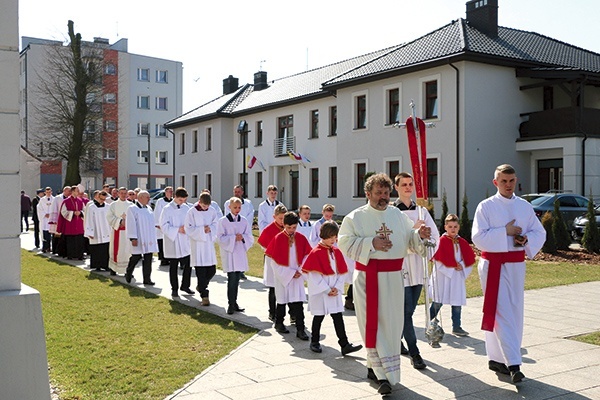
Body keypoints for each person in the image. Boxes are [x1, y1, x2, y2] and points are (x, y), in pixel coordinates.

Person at [338, 173, 430, 395]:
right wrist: (371, 243)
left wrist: (420, 236)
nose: (383, 197)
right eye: (378, 193)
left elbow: (410, 240)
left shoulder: (397, 215)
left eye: (386, 192)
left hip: (394, 279)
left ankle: (375, 368)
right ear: (367, 193)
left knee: (391, 325)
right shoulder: (355, 217)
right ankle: (383, 377)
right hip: (369, 278)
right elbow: (344, 243)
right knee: (373, 325)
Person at [472, 164, 545, 384]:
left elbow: (539, 231)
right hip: (493, 264)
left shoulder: (524, 206)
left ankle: (496, 358)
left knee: (514, 311)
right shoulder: (485, 206)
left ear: (516, 181)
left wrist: (526, 239)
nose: (508, 185)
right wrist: (505, 231)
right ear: (495, 182)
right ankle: (514, 363)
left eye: (511, 181)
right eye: (503, 181)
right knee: (501, 309)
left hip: (515, 265)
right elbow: (477, 237)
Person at [392, 172, 440, 368]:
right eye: (403, 184)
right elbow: (393, 239)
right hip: (400, 266)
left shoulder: (422, 211)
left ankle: (396, 340)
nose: (407, 187)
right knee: (406, 313)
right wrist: (414, 229)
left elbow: (434, 237)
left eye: (410, 184)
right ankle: (415, 352)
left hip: (417, 266)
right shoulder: (392, 212)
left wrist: (425, 237)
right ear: (396, 187)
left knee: (409, 310)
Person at [302, 221, 363, 356]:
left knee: (338, 317)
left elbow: (342, 271)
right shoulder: (316, 252)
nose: (332, 239)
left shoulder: (336, 251)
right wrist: (327, 289)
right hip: (321, 292)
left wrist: (336, 287)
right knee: (319, 317)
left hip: (334, 290)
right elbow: (313, 275)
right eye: (329, 237)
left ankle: (344, 344)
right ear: (322, 235)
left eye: (334, 236)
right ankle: (315, 341)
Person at [265, 211, 312, 339]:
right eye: (288, 227)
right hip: (283, 275)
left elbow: (308, 256)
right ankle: (279, 323)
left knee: (298, 303)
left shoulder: (301, 238)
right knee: (282, 300)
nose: (291, 230)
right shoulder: (278, 238)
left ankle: (300, 329)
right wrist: (289, 273)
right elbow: (273, 261)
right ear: (284, 225)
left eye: (294, 227)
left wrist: (301, 271)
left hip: (297, 274)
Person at [429, 214, 475, 337]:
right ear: (445, 227)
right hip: (443, 277)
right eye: (450, 227)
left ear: (458, 227)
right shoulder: (441, 242)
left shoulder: (462, 242)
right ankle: (428, 322)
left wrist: (461, 266)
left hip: (456, 277)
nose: (453, 229)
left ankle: (457, 327)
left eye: (455, 226)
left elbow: (469, 258)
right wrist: (451, 267)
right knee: (438, 302)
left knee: (457, 302)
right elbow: (438, 261)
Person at [217, 197, 254, 314]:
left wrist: (243, 237)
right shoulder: (223, 221)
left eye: (239, 207)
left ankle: (234, 302)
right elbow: (220, 238)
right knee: (231, 279)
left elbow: (249, 236)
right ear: (229, 207)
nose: (237, 209)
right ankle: (230, 304)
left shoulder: (243, 221)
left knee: (237, 279)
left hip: (239, 253)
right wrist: (233, 238)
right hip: (229, 253)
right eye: (235, 207)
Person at [186, 192, 219, 306]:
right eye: (204, 206)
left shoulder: (212, 211)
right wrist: (201, 230)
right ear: (199, 202)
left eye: (207, 206)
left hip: (208, 244)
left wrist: (210, 228)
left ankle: (201, 286)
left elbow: (216, 224)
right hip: (198, 244)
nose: (206, 208)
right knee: (201, 271)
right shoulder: (192, 212)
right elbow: (188, 228)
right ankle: (204, 296)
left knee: (212, 270)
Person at [161, 187, 194, 297]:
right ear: (175, 197)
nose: (182, 202)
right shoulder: (167, 209)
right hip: (173, 240)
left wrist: (187, 228)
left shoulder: (186, 208)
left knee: (188, 264)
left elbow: (191, 222)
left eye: (184, 200)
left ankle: (185, 285)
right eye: (180, 200)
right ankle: (174, 288)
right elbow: (164, 225)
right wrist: (177, 230)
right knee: (173, 266)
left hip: (184, 240)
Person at [257, 203, 287, 321]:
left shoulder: (288, 229)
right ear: (274, 217)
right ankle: (272, 311)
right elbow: (264, 246)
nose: (282, 221)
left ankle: (288, 313)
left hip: (285, 262)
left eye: (284, 218)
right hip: (272, 261)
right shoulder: (269, 229)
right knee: (273, 288)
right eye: (280, 218)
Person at [125, 190, 158, 285]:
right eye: (147, 197)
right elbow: (131, 224)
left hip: (148, 237)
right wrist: (133, 238)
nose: (149, 199)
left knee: (148, 258)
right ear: (140, 198)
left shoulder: (149, 208)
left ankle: (147, 279)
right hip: (138, 236)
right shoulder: (132, 208)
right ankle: (129, 272)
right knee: (136, 257)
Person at [107, 187, 132, 275]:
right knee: (116, 250)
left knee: (127, 251)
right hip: (117, 231)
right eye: (121, 193)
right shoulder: (113, 205)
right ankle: (113, 269)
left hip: (128, 232)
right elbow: (109, 217)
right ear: (118, 194)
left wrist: (127, 221)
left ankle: (127, 270)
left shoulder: (131, 205)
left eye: (125, 193)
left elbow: (134, 217)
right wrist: (120, 221)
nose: (123, 195)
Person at [84, 190, 111, 271]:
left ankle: (106, 265)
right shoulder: (92, 207)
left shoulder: (107, 206)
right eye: (101, 199)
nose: (102, 201)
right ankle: (97, 265)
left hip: (106, 230)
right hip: (96, 231)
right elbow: (89, 219)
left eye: (104, 199)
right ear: (97, 197)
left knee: (105, 249)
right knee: (96, 249)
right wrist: (90, 232)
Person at [57, 185, 86, 260]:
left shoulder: (80, 200)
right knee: (71, 241)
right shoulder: (66, 201)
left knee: (79, 240)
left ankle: (80, 255)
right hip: (70, 223)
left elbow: (85, 210)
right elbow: (63, 211)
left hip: (79, 223)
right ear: (72, 191)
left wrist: (80, 213)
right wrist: (73, 213)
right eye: (76, 191)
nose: (78, 192)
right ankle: (70, 255)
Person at [154, 186, 174, 266]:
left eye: (172, 191)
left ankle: (169, 258)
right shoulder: (160, 201)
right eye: (169, 191)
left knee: (169, 242)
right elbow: (157, 212)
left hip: (170, 226)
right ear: (165, 193)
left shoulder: (173, 202)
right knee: (161, 242)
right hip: (161, 226)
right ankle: (163, 259)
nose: (171, 193)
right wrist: (158, 224)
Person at [50, 186, 71, 257]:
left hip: (67, 218)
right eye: (68, 191)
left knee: (64, 236)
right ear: (64, 191)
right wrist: (55, 219)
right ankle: (55, 249)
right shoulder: (58, 198)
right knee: (56, 236)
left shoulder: (70, 198)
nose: (69, 193)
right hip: (59, 218)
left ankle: (63, 250)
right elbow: (54, 208)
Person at [37, 187, 54, 253]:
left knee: (51, 234)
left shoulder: (54, 199)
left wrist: (51, 214)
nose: (48, 193)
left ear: (51, 192)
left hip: (52, 219)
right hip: (44, 219)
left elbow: (56, 208)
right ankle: (44, 247)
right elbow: (39, 208)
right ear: (45, 193)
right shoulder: (42, 200)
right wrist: (44, 214)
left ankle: (50, 247)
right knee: (45, 234)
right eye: (47, 192)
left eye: (49, 192)